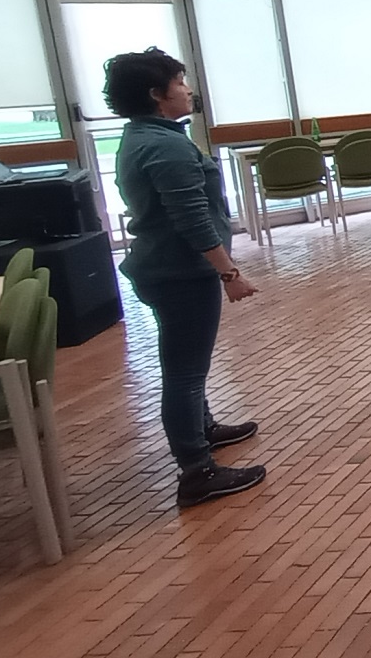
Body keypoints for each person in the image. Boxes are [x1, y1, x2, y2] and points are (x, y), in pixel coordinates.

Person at [106, 48, 266, 508]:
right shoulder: (165, 145)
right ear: (157, 94)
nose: (188, 89)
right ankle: (197, 470)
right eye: (180, 83)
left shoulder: (145, 135)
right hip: (179, 272)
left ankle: (204, 428)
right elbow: (191, 218)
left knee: (186, 364)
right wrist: (229, 273)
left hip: (164, 268)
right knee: (184, 372)